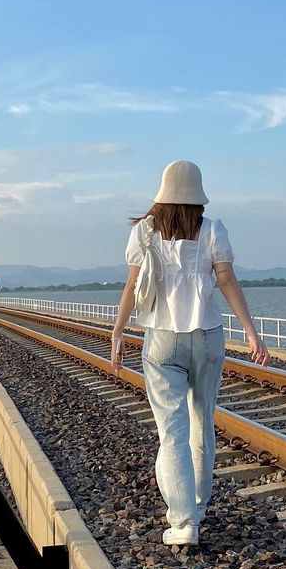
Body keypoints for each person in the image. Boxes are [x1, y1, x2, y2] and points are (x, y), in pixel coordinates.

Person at [110, 160, 268, 547]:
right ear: (198, 197)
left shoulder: (144, 233)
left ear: (162, 196)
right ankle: (196, 506)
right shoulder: (213, 230)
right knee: (202, 423)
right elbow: (227, 279)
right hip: (208, 337)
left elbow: (132, 287)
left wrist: (118, 332)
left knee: (173, 432)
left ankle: (182, 523)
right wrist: (252, 332)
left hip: (162, 340)